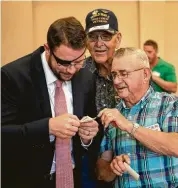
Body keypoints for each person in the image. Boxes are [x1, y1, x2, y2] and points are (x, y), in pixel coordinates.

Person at [1, 17, 101, 188]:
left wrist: (89, 136)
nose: (71, 70)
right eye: (63, 63)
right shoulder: (13, 76)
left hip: (72, 179)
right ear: (47, 49)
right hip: (25, 180)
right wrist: (48, 127)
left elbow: (92, 123)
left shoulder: (86, 78)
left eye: (78, 61)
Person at [96, 47, 178, 188]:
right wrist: (112, 167)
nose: (116, 81)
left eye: (123, 74)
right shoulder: (113, 115)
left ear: (146, 74)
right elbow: (101, 172)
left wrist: (129, 126)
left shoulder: (169, 104)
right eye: (114, 74)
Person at [84, 8, 122, 113]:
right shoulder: (79, 72)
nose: (99, 44)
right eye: (92, 37)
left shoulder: (132, 69)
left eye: (106, 37)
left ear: (118, 39)